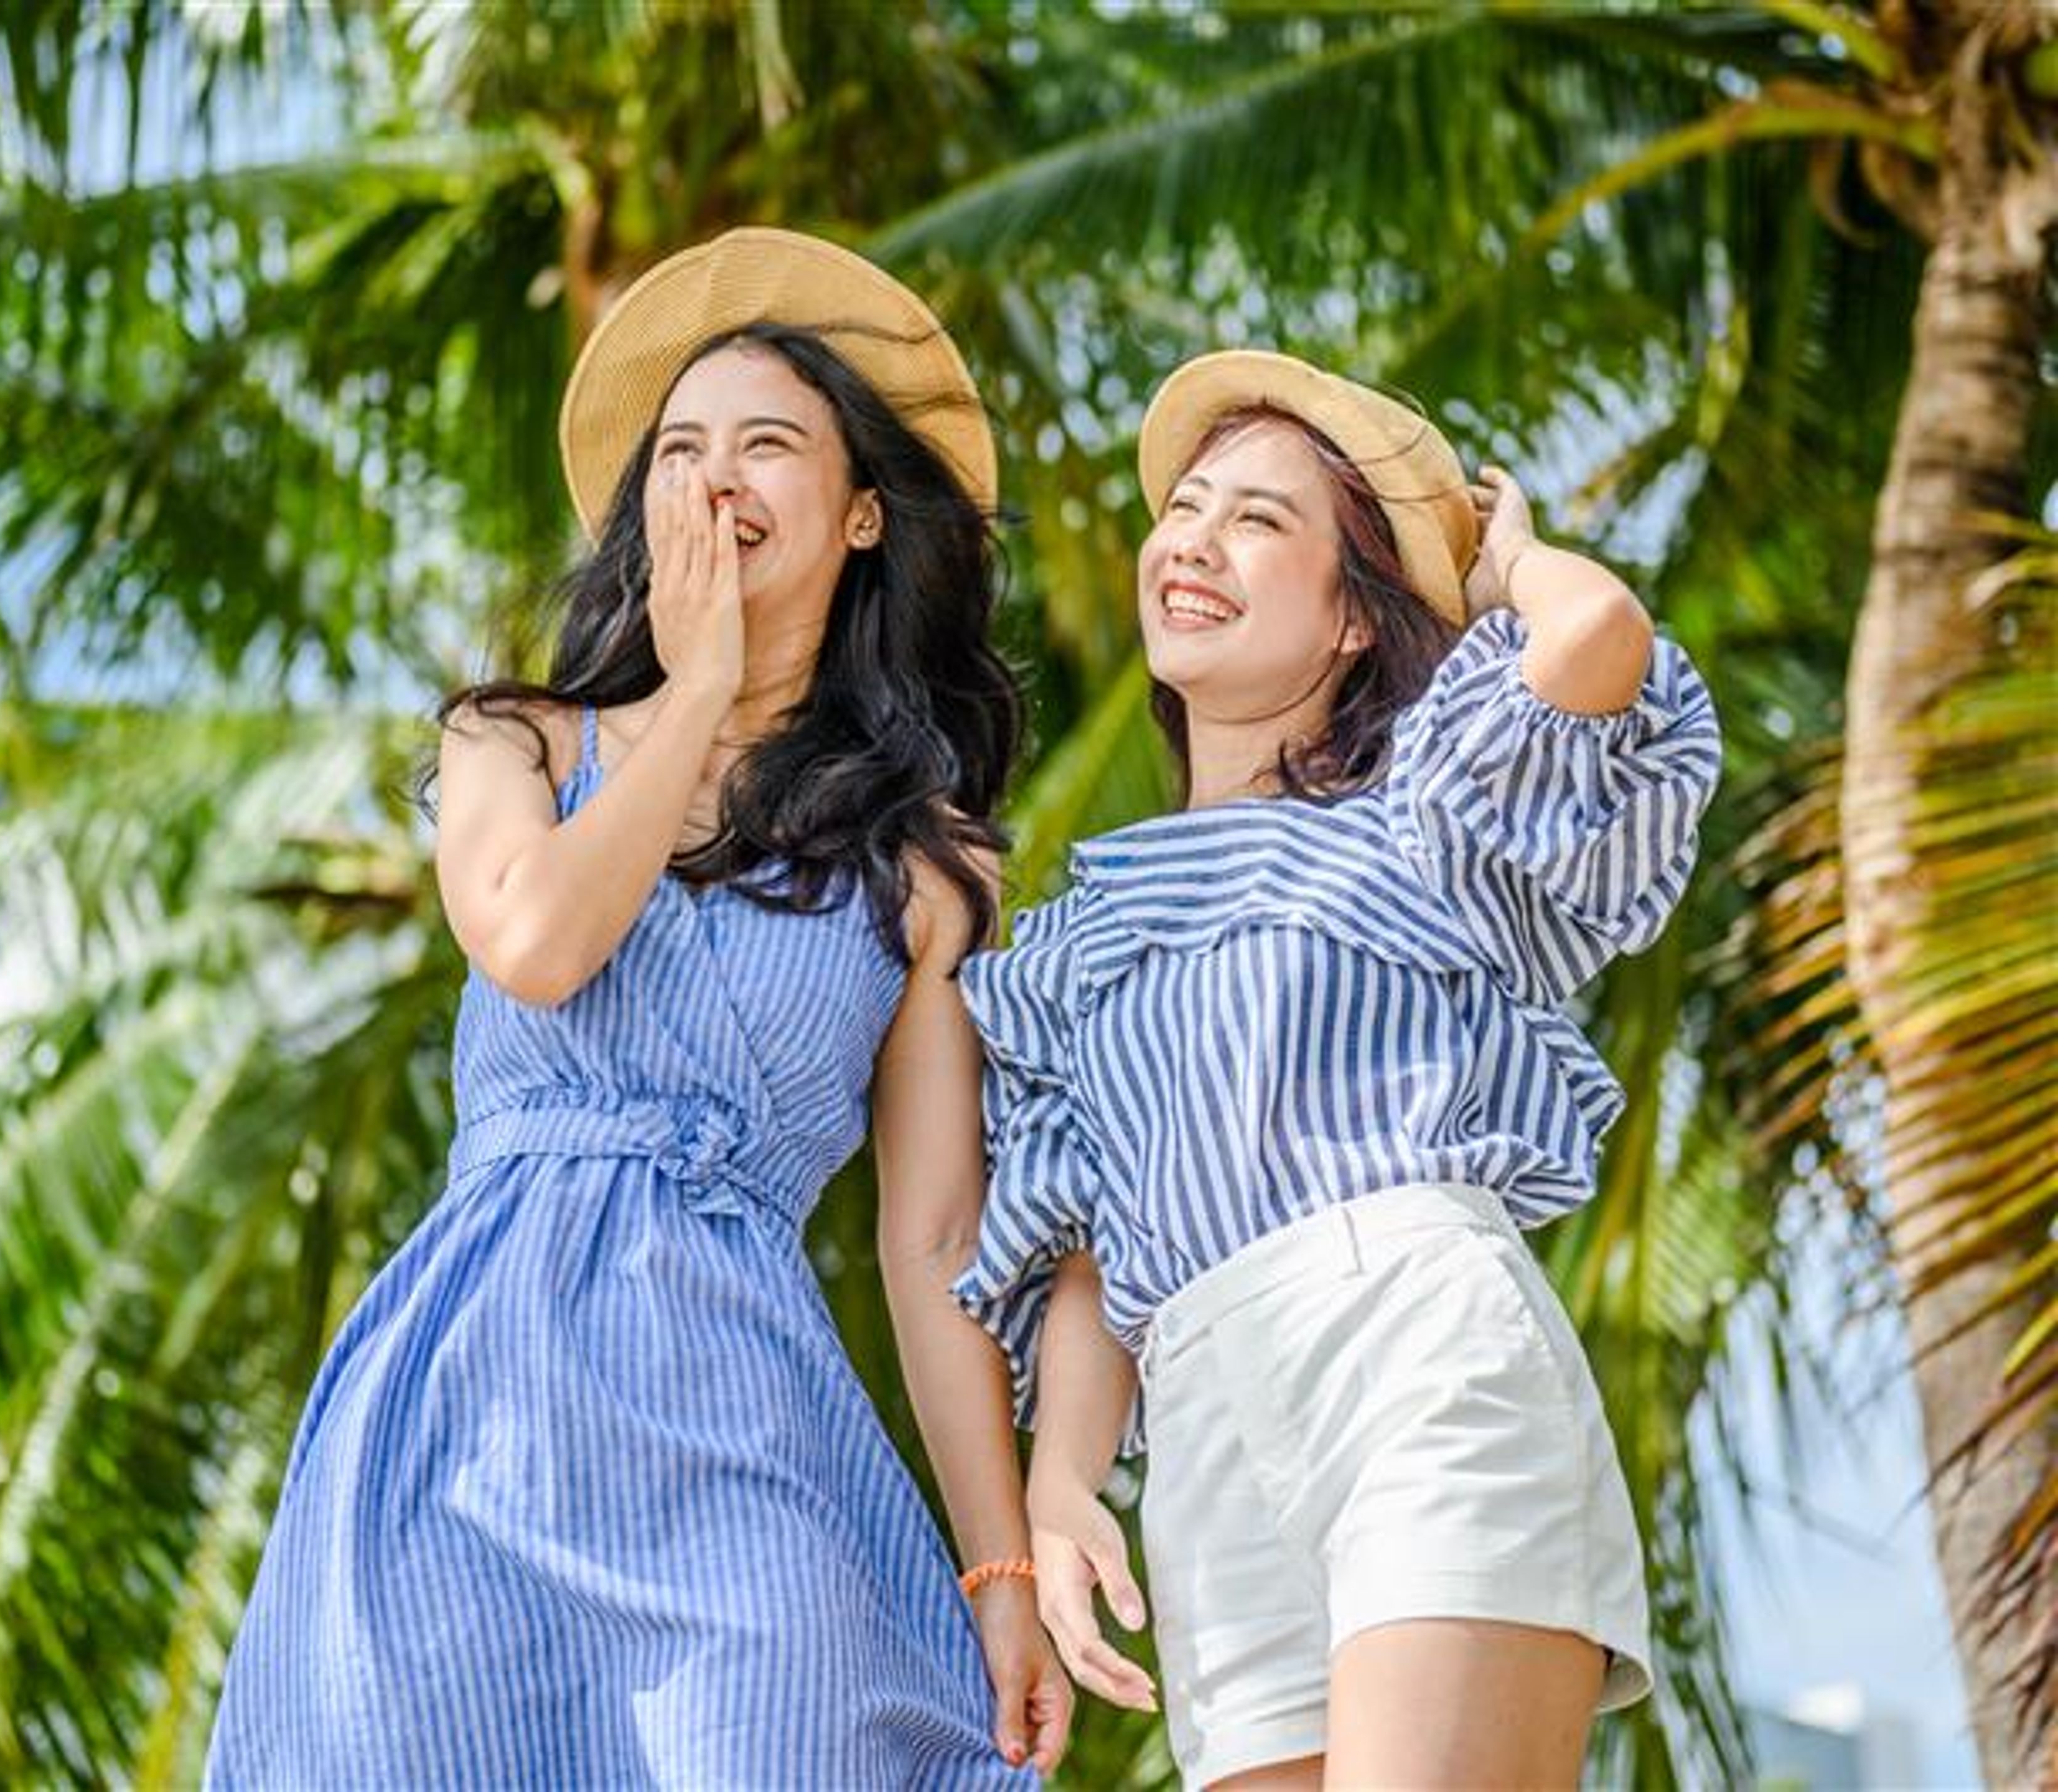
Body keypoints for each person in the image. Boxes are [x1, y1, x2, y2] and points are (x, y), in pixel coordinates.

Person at [207, 228, 1067, 1789]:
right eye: (682, 451)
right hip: (469, 1402)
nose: (717, 476)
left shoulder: (925, 868)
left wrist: (1002, 1575)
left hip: (737, 1417)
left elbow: (935, 1244)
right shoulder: (517, 743)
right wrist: (692, 692)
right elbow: (537, 942)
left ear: (864, 514)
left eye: (767, 445)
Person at [953, 350, 1721, 1789]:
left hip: (1411, 1350)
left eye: (1258, 520)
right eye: (1186, 507)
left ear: (1356, 619)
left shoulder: (1425, 816)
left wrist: (1510, 568)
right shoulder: (1078, 936)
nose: (1193, 540)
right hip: (1203, 1427)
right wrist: (1060, 1482)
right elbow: (1086, 1247)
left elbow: (1601, 642)